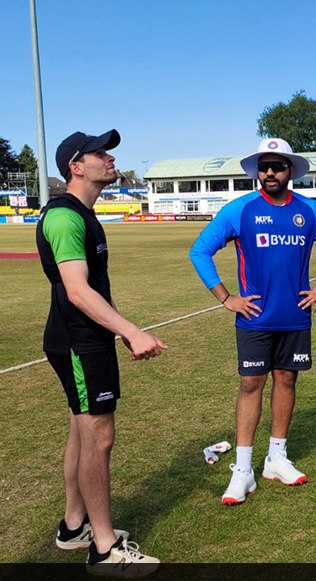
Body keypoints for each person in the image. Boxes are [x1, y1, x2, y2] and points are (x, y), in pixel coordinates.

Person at [190, 138, 316, 505]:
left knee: (287, 380)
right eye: (264, 166)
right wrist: (226, 298)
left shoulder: (309, 211)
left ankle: (275, 459)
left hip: (295, 316)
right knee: (251, 385)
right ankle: (243, 470)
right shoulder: (240, 210)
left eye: (277, 166)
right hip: (254, 317)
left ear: (290, 171)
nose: (269, 173)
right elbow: (200, 250)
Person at [37, 129, 165, 576]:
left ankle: (75, 527)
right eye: (99, 153)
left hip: (81, 338)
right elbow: (77, 291)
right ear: (76, 166)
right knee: (99, 436)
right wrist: (131, 331)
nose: (109, 158)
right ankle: (105, 548)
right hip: (80, 341)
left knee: (80, 430)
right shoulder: (64, 218)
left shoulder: (84, 214)